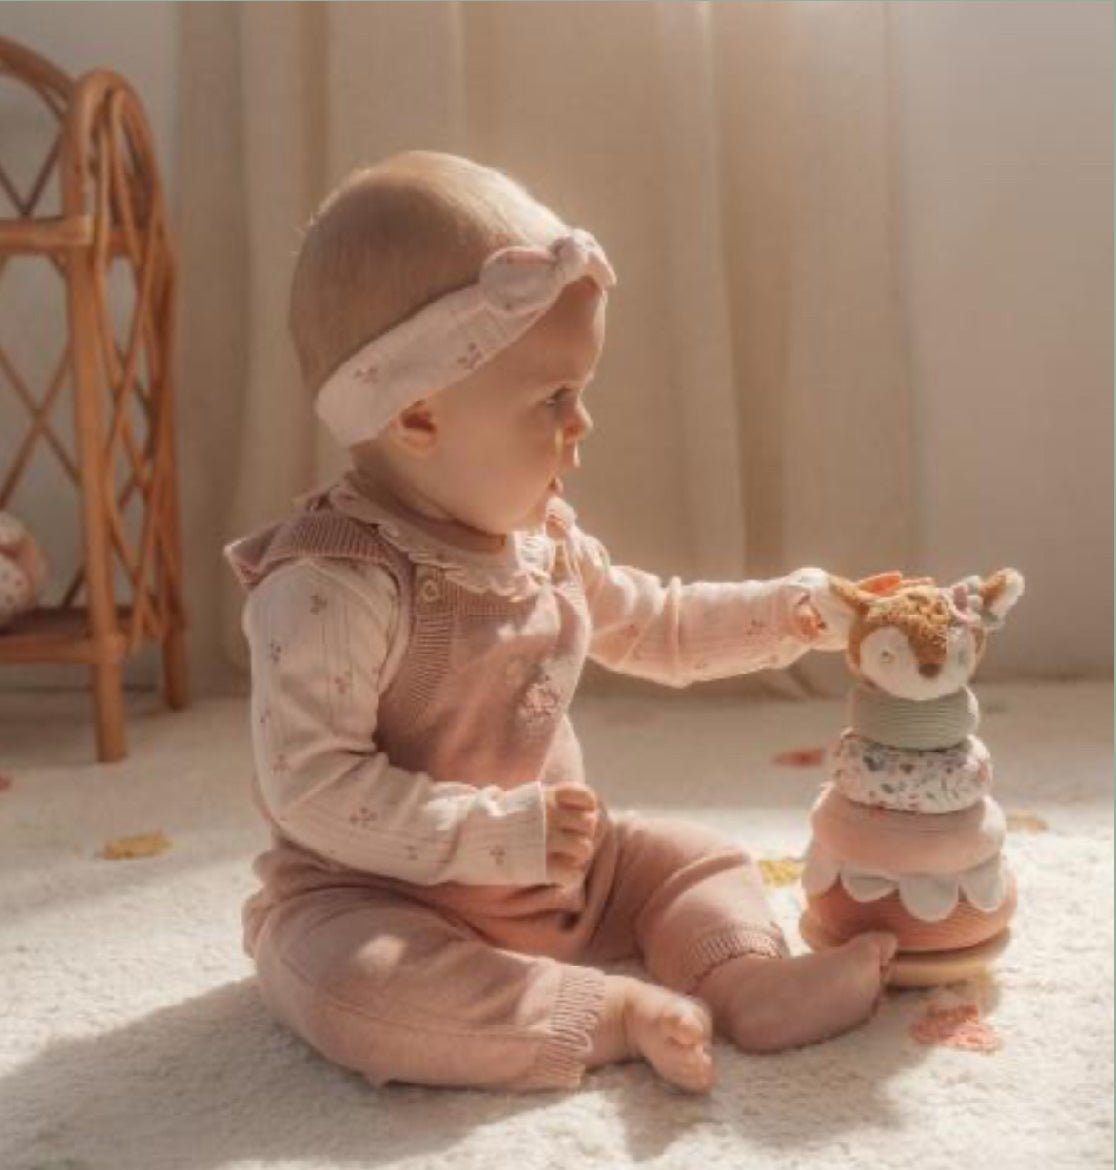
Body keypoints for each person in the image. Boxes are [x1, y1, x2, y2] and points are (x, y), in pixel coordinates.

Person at [224, 150, 898, 1095]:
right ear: (418, 415)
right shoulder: (332, 582)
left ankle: (745, 978)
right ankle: (607, 1015)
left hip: (564, 872)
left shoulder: (540, 539)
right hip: (374, 892)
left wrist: (794, 610)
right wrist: (496, 835)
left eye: (579, 393)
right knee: (348, 988)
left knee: (691, 858)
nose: (580, 426)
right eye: (553, 400)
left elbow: (657, 625)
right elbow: (314, 789)